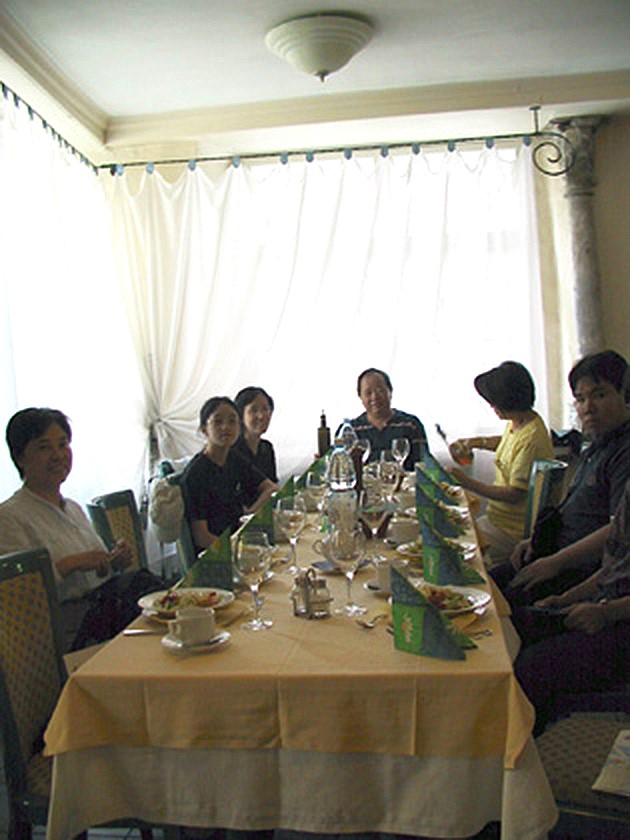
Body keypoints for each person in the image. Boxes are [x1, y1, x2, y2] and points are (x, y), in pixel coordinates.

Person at [0, 408, 163, 652]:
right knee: (150, 597)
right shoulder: (10, 516)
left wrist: (113, 561)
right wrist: (71, 563)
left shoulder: (72, 508)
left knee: (153, 595)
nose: (58, 455)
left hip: (101, 610)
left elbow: (99, 571)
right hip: (64, 629)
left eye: (62, 444)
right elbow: (16, 594)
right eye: (44, 447)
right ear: (20, 457)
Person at [493, 350, 630, 603]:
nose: (588, 408)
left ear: (625, 394)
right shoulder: (597, 444)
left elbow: (618, 531)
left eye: (599, 395)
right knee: (478, 583)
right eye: (580, 399)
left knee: (493, 606)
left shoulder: (624, 451)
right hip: (553, 552)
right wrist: (534, 541)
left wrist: (554, 564)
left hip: (577, 569)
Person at [513, 478, 630, 734]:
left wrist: (607, 613)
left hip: (621, 621)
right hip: (606, 605)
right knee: (515, 628)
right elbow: (614, 569)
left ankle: (524, 748)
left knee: (531, 670)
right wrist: (566, 598)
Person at [449, 361, 554, 564]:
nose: (492, 406)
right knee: (455, 528)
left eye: (494, 402)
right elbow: (508, 443)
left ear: (509, 400)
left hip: (511, 530)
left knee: (456, 546)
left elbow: (514, 494)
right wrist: (476, 442)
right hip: (497, 519)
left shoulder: (531, 440)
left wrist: (465, 482)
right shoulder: (521, 422)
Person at [181, 396, 278, 551]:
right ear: (204, 429)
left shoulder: (234, 458)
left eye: (232, 421)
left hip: (240, 539)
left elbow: (271, 487)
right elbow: (201, 537)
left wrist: (250, 514)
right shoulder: (196, 474)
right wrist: (238, 550)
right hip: (216, 553)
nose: (226, 427)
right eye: (218, 422)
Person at [347, 367, 429, 471]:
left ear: (390, 392)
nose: (374, 397)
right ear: (360, 396)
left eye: (380, 390)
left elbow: (424, 465)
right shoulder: (350, 430)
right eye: (368, 393)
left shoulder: (410, 424)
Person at [233, 386, 278, 488]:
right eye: (254, 410)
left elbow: (273, 485)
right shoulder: (232, 451)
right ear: (240, 415)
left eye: (265, 409)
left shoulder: (267, 448)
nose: (261, 416)